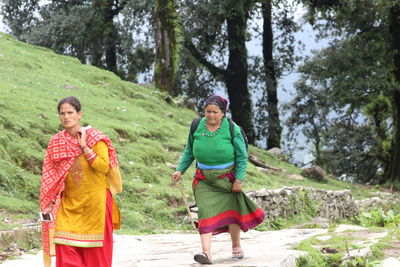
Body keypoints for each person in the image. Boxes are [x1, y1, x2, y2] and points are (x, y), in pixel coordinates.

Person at [171, 94, 265, 264]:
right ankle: (206, 253)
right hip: (204, 180)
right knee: (205, 211)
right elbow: (189, 150)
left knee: (232, 212)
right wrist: (180, 170)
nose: (211, 115)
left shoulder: (232, 128)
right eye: (208, 111)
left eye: (215, 112)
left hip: (227, 179)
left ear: (223, 113)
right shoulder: (196, 126)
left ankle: (236, 246)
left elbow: (242, 156)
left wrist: (239, 180)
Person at [40, 96, 122, 267]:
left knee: (96, 259)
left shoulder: (95, 138)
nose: (66, 117)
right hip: (69, 206)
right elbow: (53, 176)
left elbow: (103, 167)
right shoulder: (57, 142)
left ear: (79, 114)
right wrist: (49, 201)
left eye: (70, 112)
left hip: (96, 206)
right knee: (65, 251)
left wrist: (84, 147)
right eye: (62, 113)